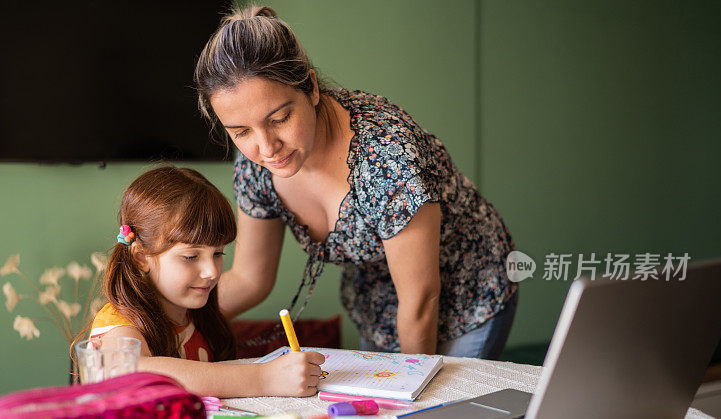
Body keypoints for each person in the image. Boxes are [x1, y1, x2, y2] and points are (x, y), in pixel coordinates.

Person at [195, 6, 518, 358]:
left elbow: (421, 301)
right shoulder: (256, 166)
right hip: (378, 299)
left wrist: (414, 395)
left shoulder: (389, 155)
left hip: (467, 289)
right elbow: (249, 279)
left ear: (312, 89)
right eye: (241, 132)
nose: (266, 147)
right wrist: (169, 316)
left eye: (281, 118)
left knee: (437, 410)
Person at [88, 166, 325, 396]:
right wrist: (264, 378)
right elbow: (127, 370)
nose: (212, 271)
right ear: (141, 257)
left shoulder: (194, 314)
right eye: (191, 256)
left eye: (218, 253)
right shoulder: (119, 321)